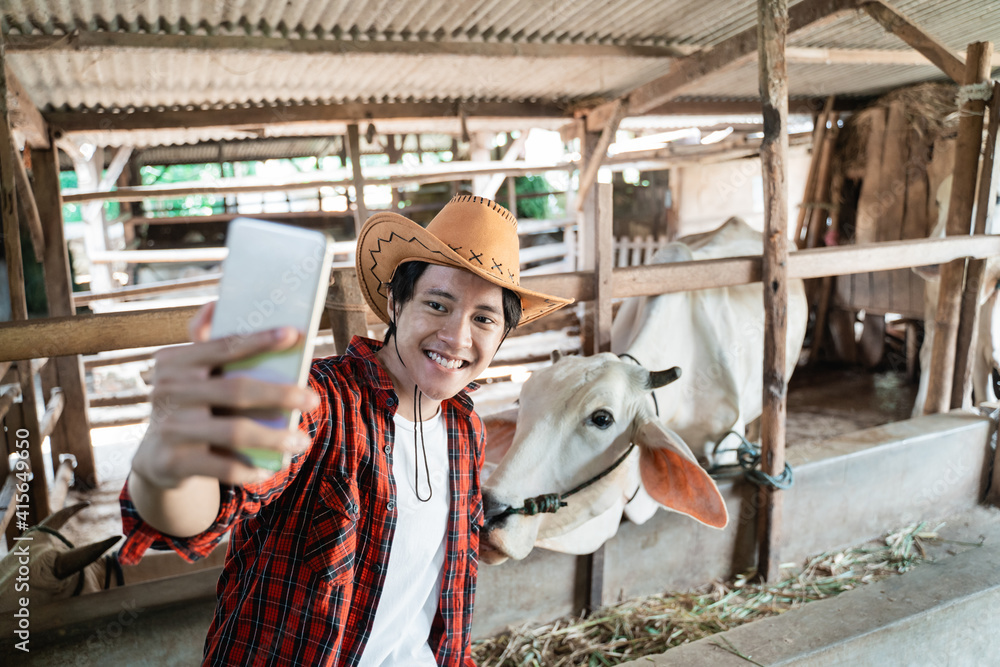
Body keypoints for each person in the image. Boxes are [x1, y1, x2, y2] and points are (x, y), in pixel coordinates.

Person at [119, 195, 573, 666]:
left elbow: (445, 558)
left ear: (500, 335)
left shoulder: (464, 429)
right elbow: (201, 511)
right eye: (438, 304)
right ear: (396, 304)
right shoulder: (320, 403)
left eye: (484, 318)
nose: (458, 337)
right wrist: (168, 461)